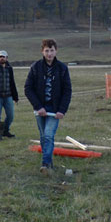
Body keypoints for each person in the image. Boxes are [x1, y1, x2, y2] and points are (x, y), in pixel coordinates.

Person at [24, 39, 72, 174]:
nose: (49, 53)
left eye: (51, 50)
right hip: (40, 109)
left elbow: (67, 91)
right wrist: (38, 106)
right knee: (43, 136)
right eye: (46, 51)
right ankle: (49, 162)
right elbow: (28, 88)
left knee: (49, 135)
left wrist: (62, 110)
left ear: (56, 51)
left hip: (54, 110)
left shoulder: (62, 69)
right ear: (42, 51)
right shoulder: (35, 67)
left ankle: (45, 164)